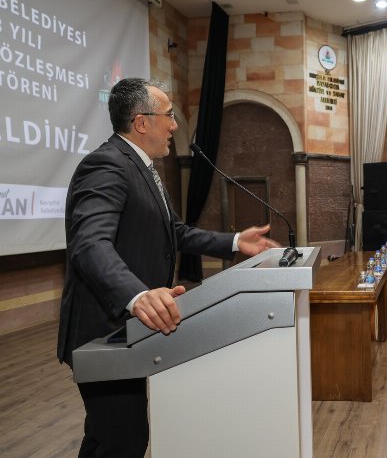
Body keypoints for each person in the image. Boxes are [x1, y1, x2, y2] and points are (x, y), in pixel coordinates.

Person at [57, 78, 280, 457]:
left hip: (132, 330)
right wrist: (136, 294)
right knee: (120, 440)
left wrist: (233, 242)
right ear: (141, 122)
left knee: (111, 437)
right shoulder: (107, 164)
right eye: (169, 116)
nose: (175, 125)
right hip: (104, 330)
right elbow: (89, 244)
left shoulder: (141, 167)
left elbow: (174, 231)